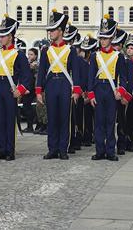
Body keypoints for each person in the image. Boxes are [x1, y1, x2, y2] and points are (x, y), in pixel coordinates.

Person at [36, 10, 82, 160]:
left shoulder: (70, 50)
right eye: (50, 30)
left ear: (60, 31)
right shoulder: (46, 50)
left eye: (53, 30)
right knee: (52, 117)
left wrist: (76, 90)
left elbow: (76, 71)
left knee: (64, 118)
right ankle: (52, 148)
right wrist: (38, 90)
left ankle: (63, 148)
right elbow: (41, 71)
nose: (50, 33)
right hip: (50, 84)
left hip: (64, 84)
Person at [0, 15, 31, 161]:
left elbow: (26, 75)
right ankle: (2, 148)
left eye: (3, 36)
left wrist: (21, 89)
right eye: (0, 36)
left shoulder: (19, 54)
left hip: (10, 88)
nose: (0, 39)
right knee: (0, 120)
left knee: (10, 120)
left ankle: (10, 150)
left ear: (11, 36)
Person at [89, 14, 130, 161]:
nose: (102, 41)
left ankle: (111, 151)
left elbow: (123, 77)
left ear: (111, 38)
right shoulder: (95, 55)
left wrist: (121, 91)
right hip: (99, 88)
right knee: (99, 122)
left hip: (112, 90)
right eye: (101, 38)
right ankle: (100, 151)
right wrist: (91, 94)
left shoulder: (118, 56)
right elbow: (91, 76)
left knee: (111, 122)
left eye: (105, 38)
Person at [79, 35, 97, 146]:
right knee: (85, 116)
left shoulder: (95, 63)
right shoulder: (82, 63)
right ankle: (85, 136)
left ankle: (92, 135)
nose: (83, 52)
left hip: (93, 92)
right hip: (83, 92)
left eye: (86, 51)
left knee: (93, 117)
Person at [23, 47, 39, 134]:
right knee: (26, 107)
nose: (29, 56)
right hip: (27, 87)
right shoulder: (28, 63)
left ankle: (31, 126)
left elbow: (33, 78)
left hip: (32, 88)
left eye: (31, 54)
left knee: (30, 107)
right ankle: (30, 126)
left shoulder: (35, 64)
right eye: (28, 54)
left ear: (36, 56)